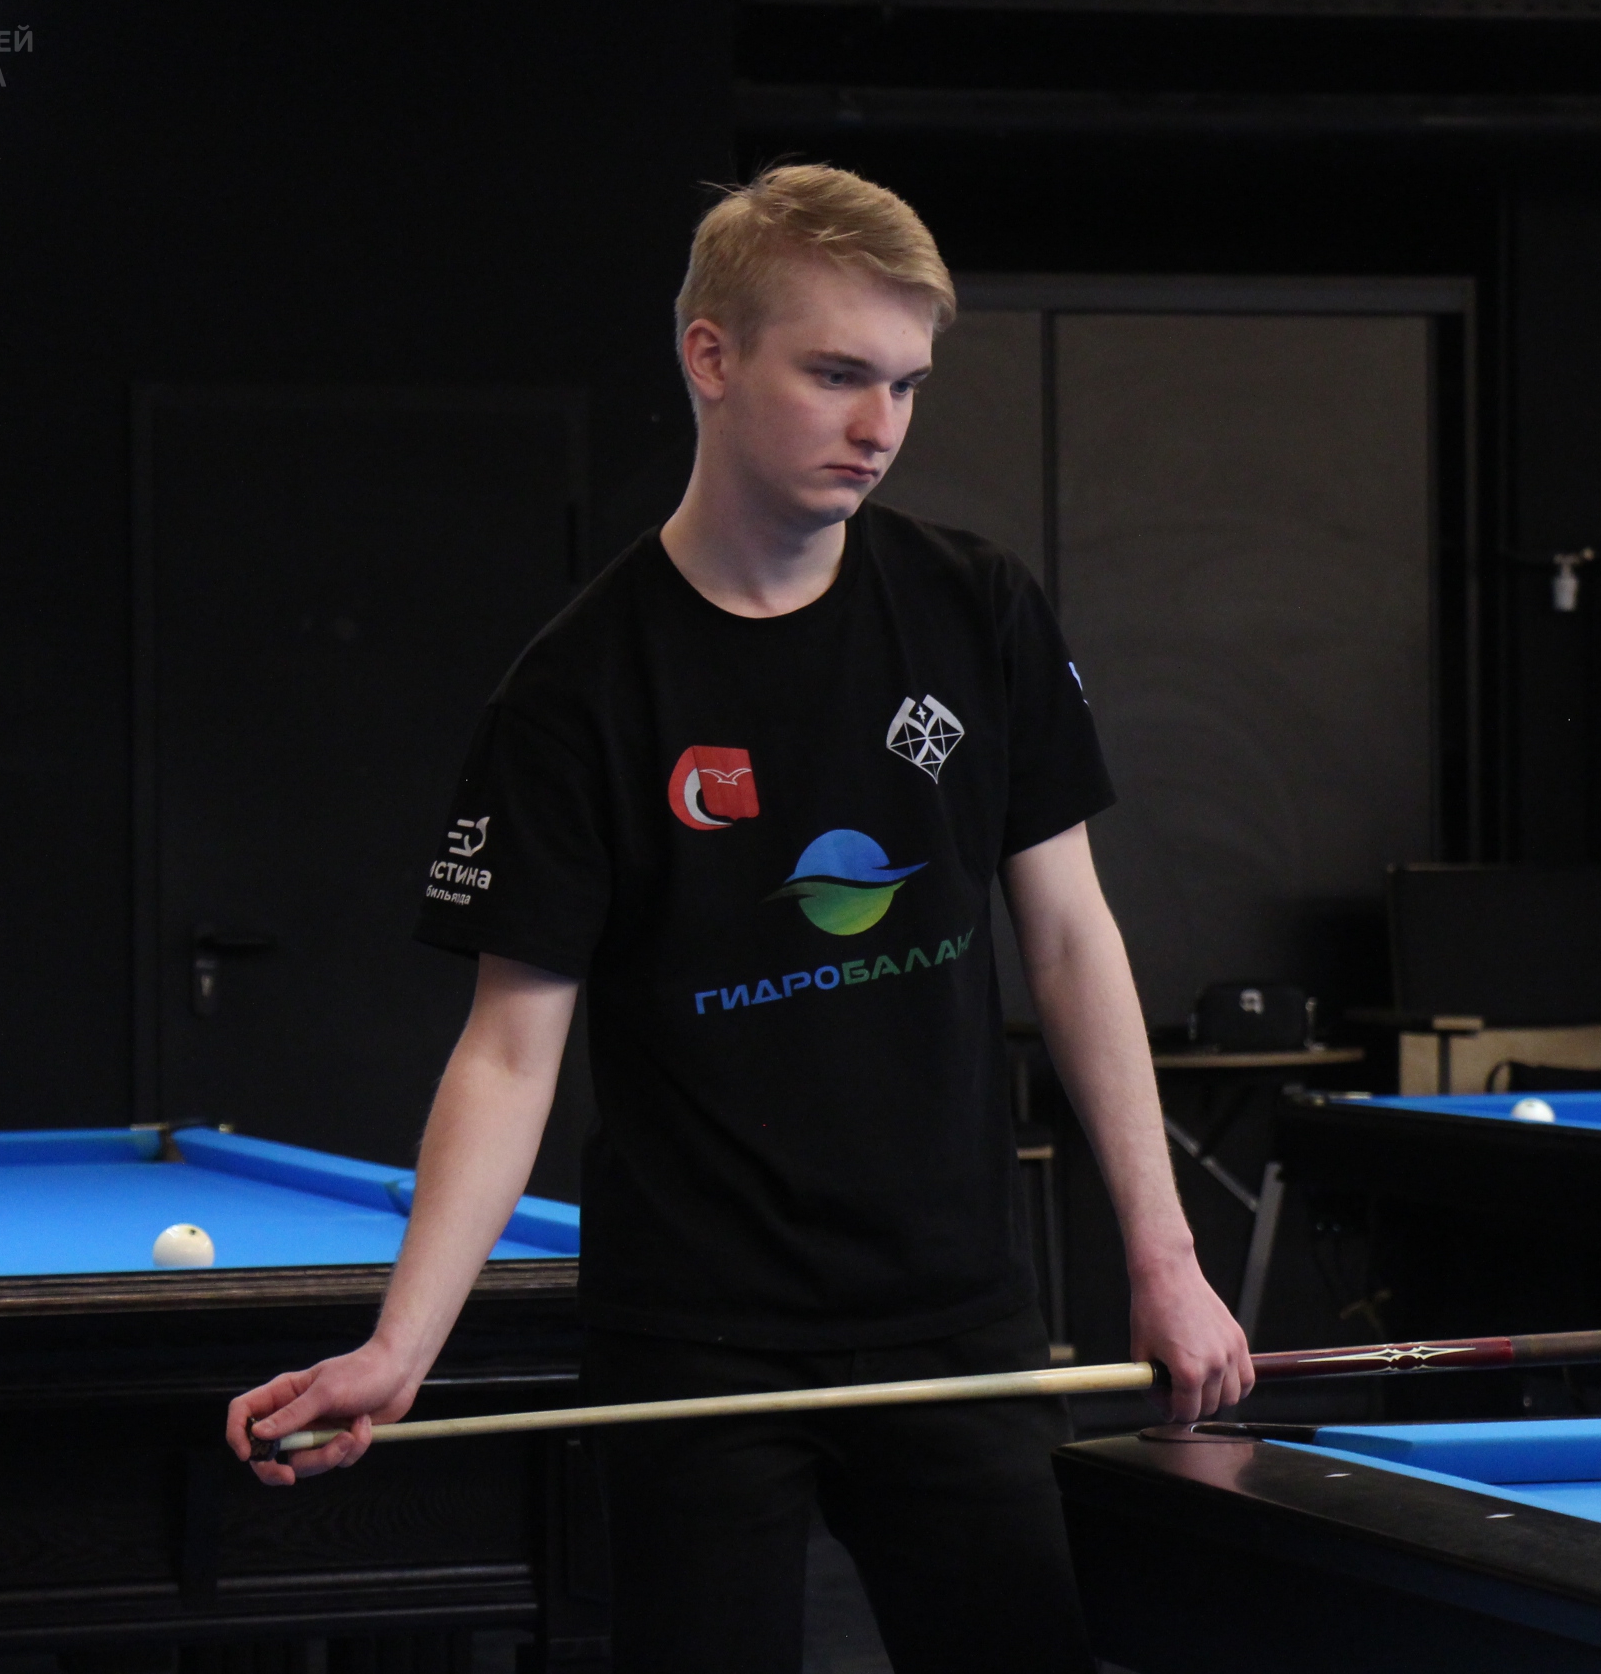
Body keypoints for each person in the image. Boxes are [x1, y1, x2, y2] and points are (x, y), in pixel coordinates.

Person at [224, 164, 1252, 1673]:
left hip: (954, 1316)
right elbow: (508, 1054)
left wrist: (1163, 1257)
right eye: (836, 374)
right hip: (694, 1337)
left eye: (906, 384)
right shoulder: (577, 692)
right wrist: (404, 1344)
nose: (880, 425)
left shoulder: (977, 609)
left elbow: (1071, 940)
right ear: (710, 356)